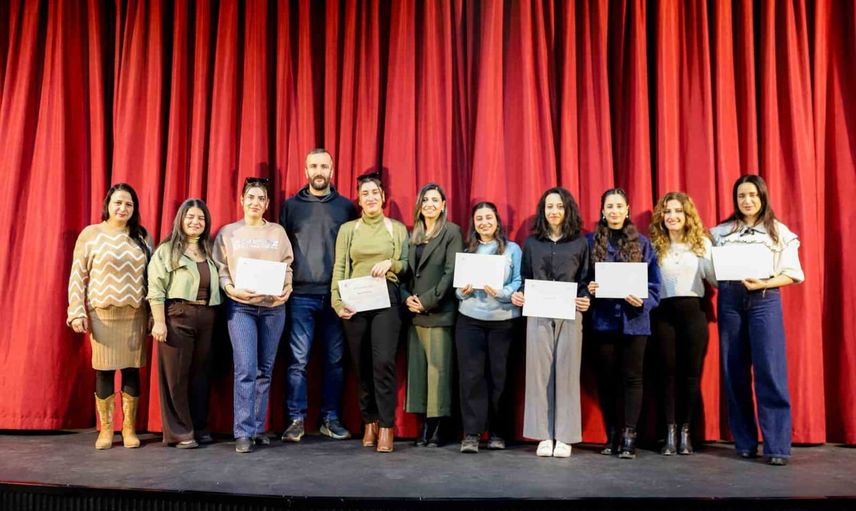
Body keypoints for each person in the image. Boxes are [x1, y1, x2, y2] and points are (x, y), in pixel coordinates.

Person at [711, 175, 804, 466]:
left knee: (769, 370)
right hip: (730, 300)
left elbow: (792, 274)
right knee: (734, 371)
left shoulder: (778, 231)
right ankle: (745, 442)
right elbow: (709, 267)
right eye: (741, 196)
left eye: (752, 195)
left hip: (764, 298)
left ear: (762, 197)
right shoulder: (721, 232)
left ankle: (777, 446)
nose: (747, 200)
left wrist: (764, 282)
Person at [279, 149, 357, 443]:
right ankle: (296, 419)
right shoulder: (290, 207)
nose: (319, 171)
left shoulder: (346, 207)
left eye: (324, 166)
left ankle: (330, 418)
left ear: (332, 171)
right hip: (300, 296)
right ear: (306, 171)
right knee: (298, 361)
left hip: (337, 296)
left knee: (335, 361)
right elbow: (282, 250)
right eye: (314, 166)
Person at [67, 183, 151, 450]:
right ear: (108, 205)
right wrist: (76, 311)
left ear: (134, 208)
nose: (123, 208)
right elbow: (78, 275)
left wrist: (153, 314)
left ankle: (128, 429)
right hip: (102, 315)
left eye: (128, 204)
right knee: (103, 371)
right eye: (118, 203)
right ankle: (106, 430)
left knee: (131, 370)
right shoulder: (91, 234)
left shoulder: (141, 236)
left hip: (135, 314)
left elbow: (151, 278)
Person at [213, 177, 294, 454]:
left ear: (267, 203)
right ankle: (243, 432)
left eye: (261, 198)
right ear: (242, 200)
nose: (255, 202)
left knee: (264, 370)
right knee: (246, 368)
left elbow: (287, 265)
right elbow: (220, 268)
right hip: (241, 308)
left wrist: (287, 288)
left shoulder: (277, 233)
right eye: (251, 197)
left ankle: (258, 428)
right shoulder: (229, 233)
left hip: (273, 308)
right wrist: (230, 289)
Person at [331, 170, 408, 453]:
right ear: (359, 200)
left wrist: (391, 264)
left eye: (375, 192)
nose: (371, 197)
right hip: (355, 298)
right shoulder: (348, 230)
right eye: (365, 193)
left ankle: (387, 426)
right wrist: (337, 302)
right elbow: (340, 266)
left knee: (383, 362)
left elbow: (406, 264)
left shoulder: (396, 228)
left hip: (386, 297)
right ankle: (370, 421)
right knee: (361, 365)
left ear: (383, 197)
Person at [511, 187, 591, 458]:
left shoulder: (580, 242)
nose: (554, 211)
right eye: (549, 206)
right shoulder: (532, 243)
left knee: (568, 373)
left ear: (567, 209)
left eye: (559, 206)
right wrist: (520, 294)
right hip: (538, 310)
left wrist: (586, 298)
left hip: (570, 312)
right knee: (538, 374)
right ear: (542, 211)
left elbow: (585, 279)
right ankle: (543, 435)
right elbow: (525, 277)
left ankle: (565, 437)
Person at [587, 188, 661, 459]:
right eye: (610, 206)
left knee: (633, 378)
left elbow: (655, 285)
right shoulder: (590, 242)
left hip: (635, 321)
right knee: (606, 380)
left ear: (627, 209)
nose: (615, 211)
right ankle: (612, 434)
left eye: (619, 206)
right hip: (603, 321)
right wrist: (589, 288)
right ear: (602, 211)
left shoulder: (643, 243)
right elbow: (582, 279)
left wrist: (643, 300)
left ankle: (630, 435)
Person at [148, 199, 220, 449]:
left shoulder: (209, 251)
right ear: (180, 219)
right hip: (177, 315)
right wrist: (159, 322)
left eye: (200, 218)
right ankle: (180, 432)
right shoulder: (167, 251)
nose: (195, 222)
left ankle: (199, 427)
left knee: (201, 377)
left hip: (207, 317)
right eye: (190, 217)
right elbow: (155, 289)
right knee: (176, 378)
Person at [649, 192, 714, 455]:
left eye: (678, 211)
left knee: (691, 375)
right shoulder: (654, 245)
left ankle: (686, 432)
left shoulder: (702, 244)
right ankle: (669, 432)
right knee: (666, 374)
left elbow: (714, 279)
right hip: (662, 314)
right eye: (667, 211)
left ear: (688, 215)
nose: (672, 216)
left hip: (693, 312)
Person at [456, 202, 522, 454]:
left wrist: (502, 292)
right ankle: (472, 433)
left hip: (503, 321)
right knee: (471, 377)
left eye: (488, 217)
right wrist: (463, 291)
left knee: (500, 378)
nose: (484, 222)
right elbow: (457, 290)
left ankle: (497, 433)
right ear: (474, 224)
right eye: (479, 219)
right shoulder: (467, 252)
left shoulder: (513, 249)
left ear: (497, 221)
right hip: (469, 320)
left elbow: (519, 281)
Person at [403, 183, 463, 447]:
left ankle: (438, 427)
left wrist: (426, 302)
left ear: (443, 205)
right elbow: (405, 273)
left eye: (434, 200)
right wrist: (406, 297)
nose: (429, 204)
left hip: (439, 313)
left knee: (439, 372)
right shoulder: (412, 234)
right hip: (414, 314)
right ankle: (424, 426)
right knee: (418, 373)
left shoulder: (452, 232)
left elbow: (451, 273)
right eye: (425, 199)